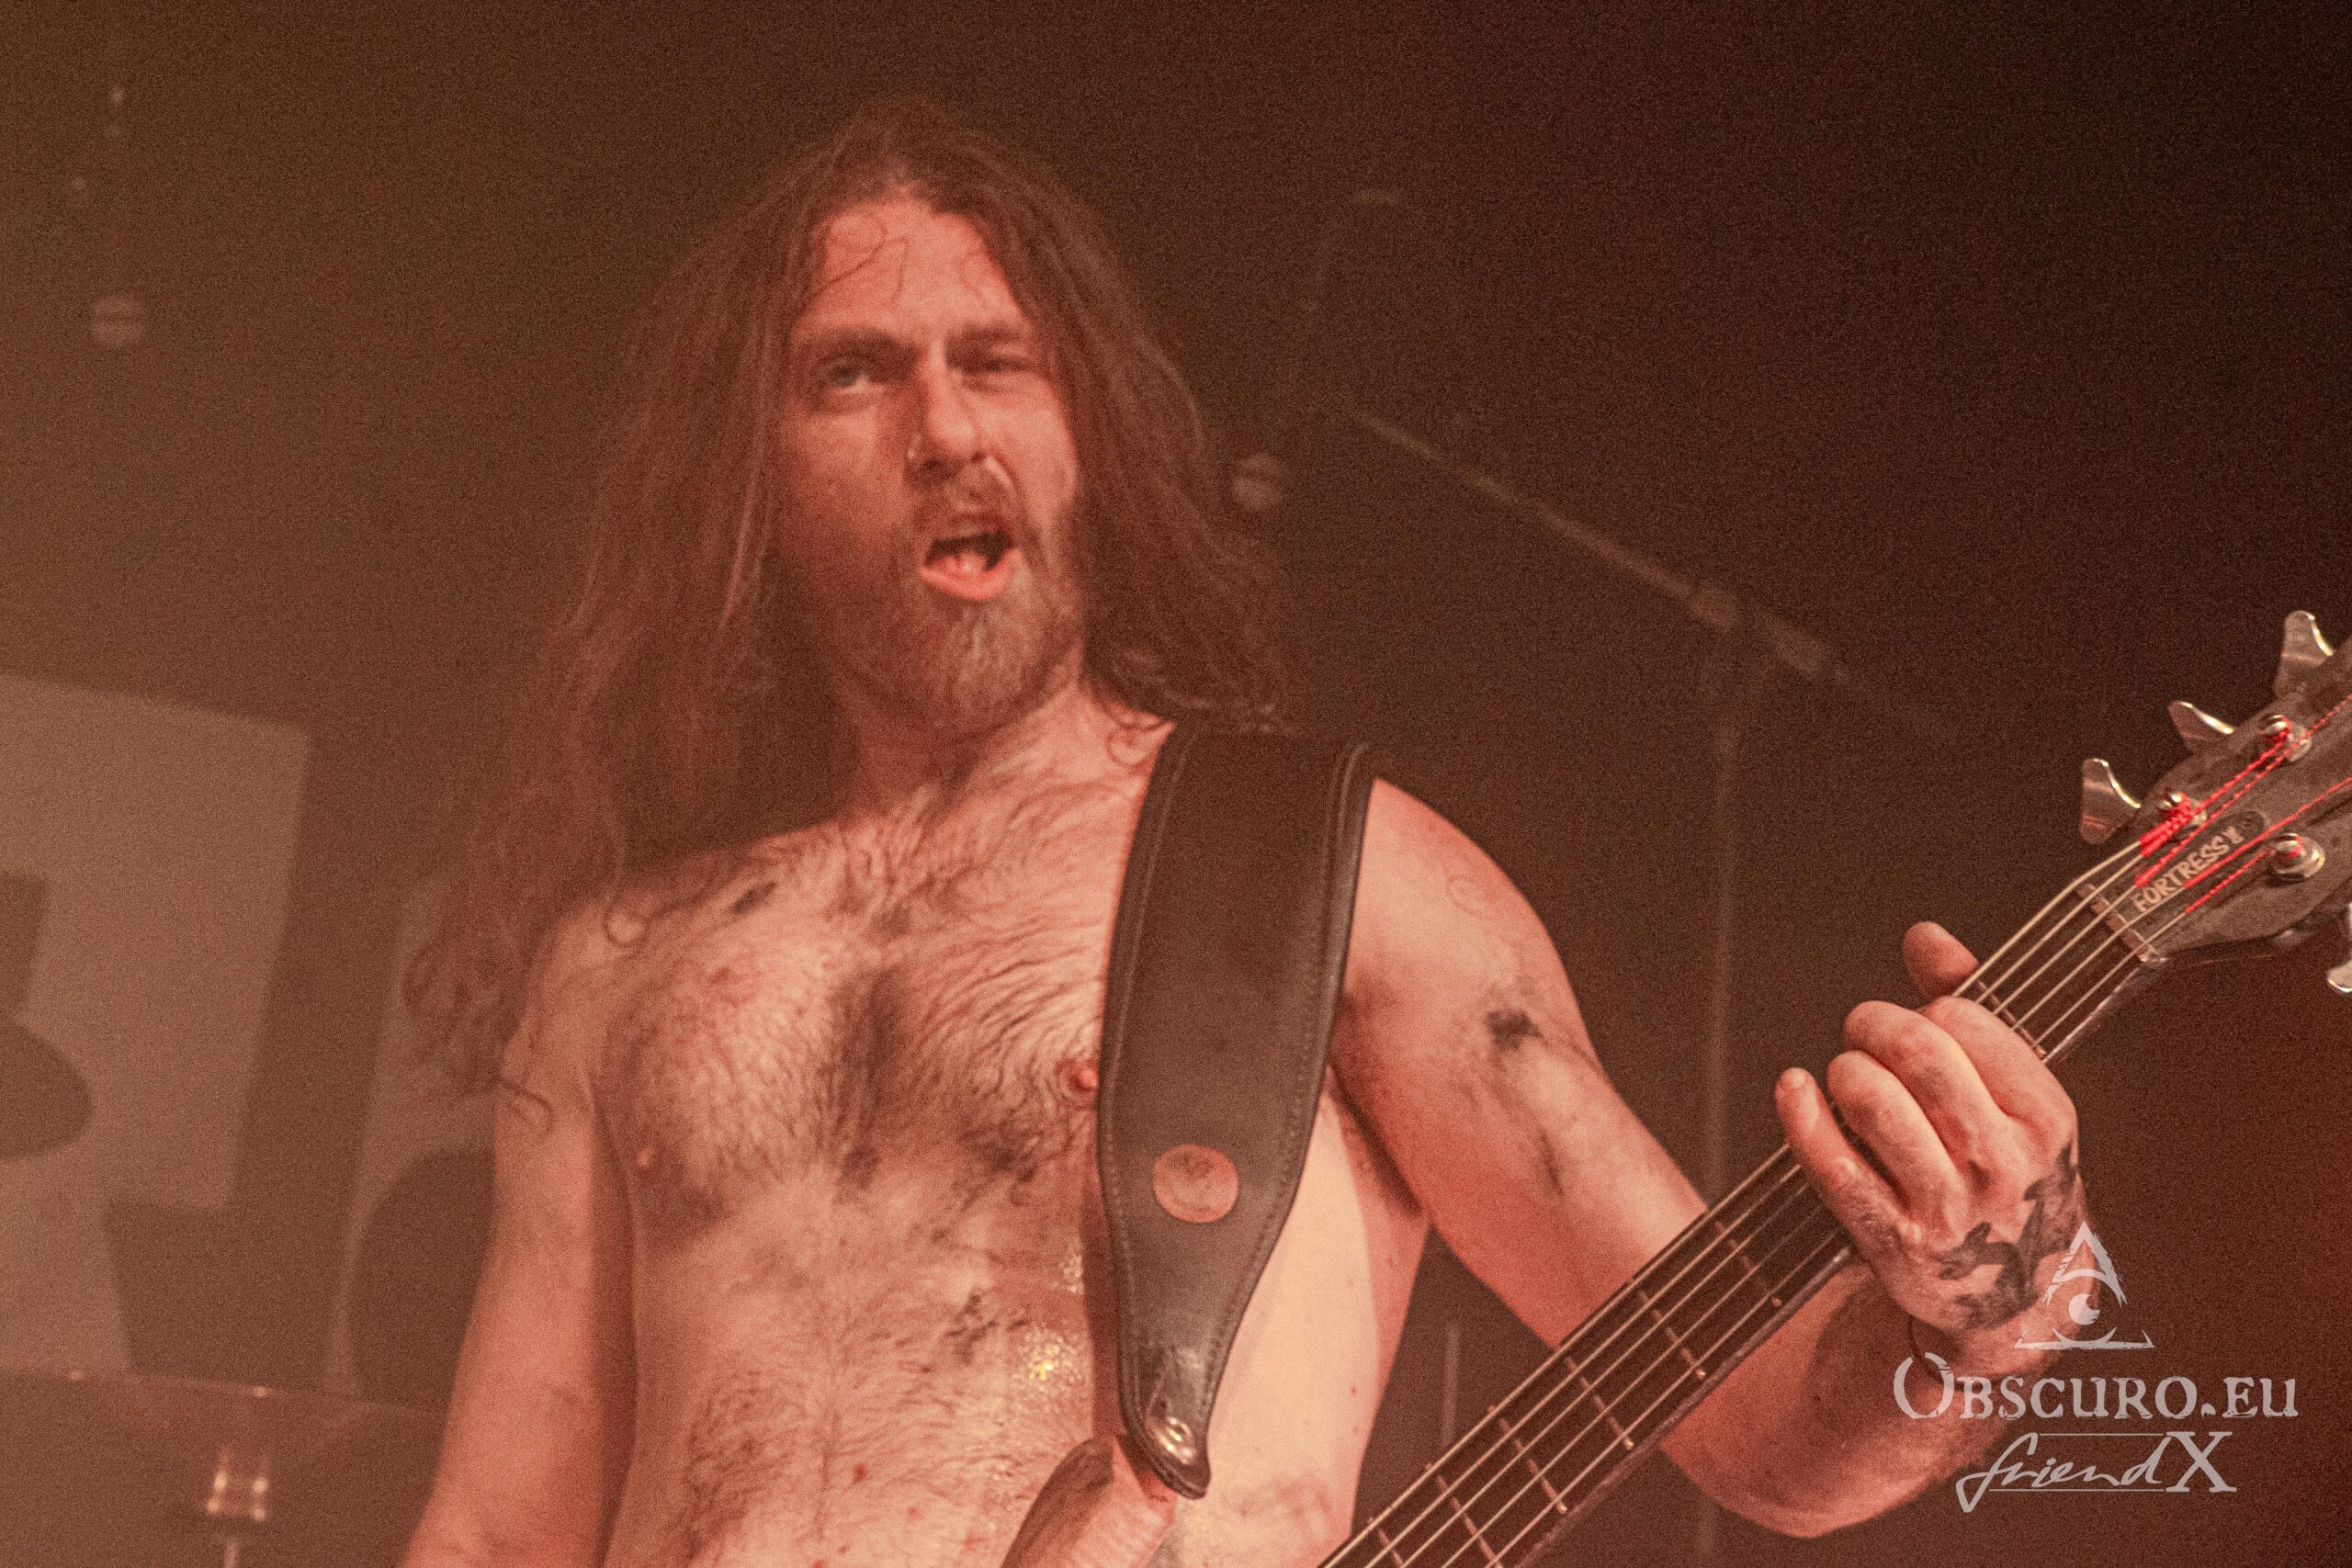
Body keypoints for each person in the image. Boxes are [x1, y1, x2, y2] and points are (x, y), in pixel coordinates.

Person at [399, 98, 2088, 1568]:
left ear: (1091, 434)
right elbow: (495, 1533)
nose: (946, 430)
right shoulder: (622, 967)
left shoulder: (1334, 888)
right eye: (855, 373)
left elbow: (1769, 1434)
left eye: (1000, 363)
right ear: (751, 471)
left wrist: (1994, 1302)